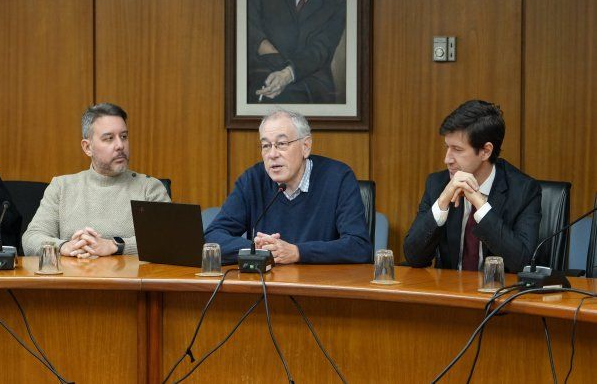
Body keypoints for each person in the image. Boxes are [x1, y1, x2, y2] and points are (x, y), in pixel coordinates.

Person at [204, 109, 371, 265]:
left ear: (305, 147)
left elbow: (359, 246)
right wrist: (259, 250)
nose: (272, 154)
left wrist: (297, 252)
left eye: (282, 144)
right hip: (266, 287)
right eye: (266, 146)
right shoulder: (252, 180)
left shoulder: (338, 178)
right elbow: (212, 237)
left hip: (319, 288)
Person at [403, 100, 541, 273]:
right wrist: (442, 202)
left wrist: (481, 206)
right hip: (449, 295)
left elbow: (522, 263)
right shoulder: (438, 184)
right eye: (447, 147)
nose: (447, 159)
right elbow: (414, 257)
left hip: (500, 295)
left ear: (485, 151)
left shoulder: (524, 191)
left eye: (457, 149)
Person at [22, 103, 170, 257]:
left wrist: (116, 246)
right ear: (87, 147)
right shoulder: (61, 187)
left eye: (124, 137)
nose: (120, 145)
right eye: (109, 138)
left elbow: (169, 239)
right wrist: (63, 246)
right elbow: (31, 239)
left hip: (131, 279)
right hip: (74, 278)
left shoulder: (149, 188)